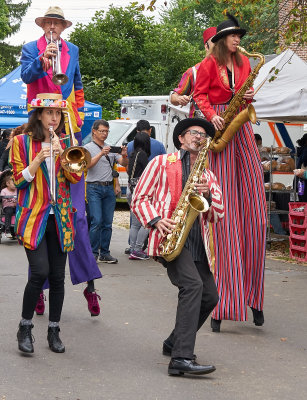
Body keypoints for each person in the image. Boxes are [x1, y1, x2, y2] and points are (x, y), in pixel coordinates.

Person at [20, 6, 102, 317]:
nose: (53, 27)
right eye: (49, 22)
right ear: (43, 26)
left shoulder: (74, 50)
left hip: (67, 128)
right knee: (42, 212)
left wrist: (76, 118)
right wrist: (42, 62)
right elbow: (27, 77)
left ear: (63, 27)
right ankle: (38, 289)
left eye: (58, 23)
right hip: (40, 125)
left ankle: (89, 284)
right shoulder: (31, 48)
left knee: (77, 217)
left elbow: (77, 85)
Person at [131, 118, 224, 376]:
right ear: (181, 138)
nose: (200, 137)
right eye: (194, 132)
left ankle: (173, 342)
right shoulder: (161, 163)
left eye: (204, 135)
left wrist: (206, 196)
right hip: (170, 237)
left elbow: (219, 214)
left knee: (210, 297)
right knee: (192, 286)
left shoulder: (208, 174)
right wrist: (156, 220)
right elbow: (139, 197)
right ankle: (181, 358)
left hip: (197, 242)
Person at [193, 13, 267, 332]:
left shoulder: (244, 63)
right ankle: (223, 302)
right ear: (223, 39)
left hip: (242, 127)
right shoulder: (210, 63)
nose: (239, 39)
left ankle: (255, 299)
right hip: (221, 129)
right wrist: (212, 116)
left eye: (239, 35)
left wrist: (249, 97)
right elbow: (199, 95)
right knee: (225, 218)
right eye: (235, 35)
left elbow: (248, 94)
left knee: (256, 217)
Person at [9, 93, 82, 354]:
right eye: (50, 113)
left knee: (58, 278)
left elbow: (75, 179)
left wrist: (63, 157)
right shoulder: (20, 142)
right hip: (33, 217)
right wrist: (39, 159)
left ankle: (54, 330)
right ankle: (25, 327)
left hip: (60, 218)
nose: (55, 118)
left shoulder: (67, 141)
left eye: (58, 114)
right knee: (39, 272)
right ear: (39, 115)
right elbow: (18, 181)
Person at [84, 119, 128, 263]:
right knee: (96, 220)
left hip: (108, 187)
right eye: (102, 131)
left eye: (107, 131)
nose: (104, 134)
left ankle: (105, 252)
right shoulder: (88, 147)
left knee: (107, 223)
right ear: (94, 131)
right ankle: (92, 252)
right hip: (93, 187)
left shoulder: (110, 148)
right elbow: (88, 165)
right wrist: (101, 153)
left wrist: (125, 154)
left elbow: (123, 163)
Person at [170, 27, 217, 116]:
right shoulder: (193, 72)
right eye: (215, 43)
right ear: (206, 46)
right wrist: (179, 99)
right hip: (199, 124)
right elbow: (173, 98)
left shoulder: (232, 69)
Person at [127, 132, 151, 260]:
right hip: (140, 191)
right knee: (147, 223)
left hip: (131, 190)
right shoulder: (143, 155)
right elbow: (148, 173)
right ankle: (137, 249)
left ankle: (132, 248)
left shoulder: (133, 154)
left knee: (135, 224)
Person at [0, 171, 17, 238]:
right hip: (7, 206)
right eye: (13, 183)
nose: (15, 184)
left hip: (16, 206)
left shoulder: (17, 190)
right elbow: (2, 198)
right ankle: (7, 230)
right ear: (7, 183)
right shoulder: (4, 191)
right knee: (9, 212)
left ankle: (18, 230)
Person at [294, 133, 307, 201]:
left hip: (299, 179)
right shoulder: (305, 149)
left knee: (301, 198)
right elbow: (305, 159)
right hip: (304, 178)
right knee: (304, 199)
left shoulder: (300, 150)